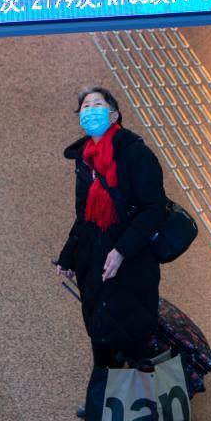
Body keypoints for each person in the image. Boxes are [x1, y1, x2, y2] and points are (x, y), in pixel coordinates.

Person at [55, 86, 169, 372]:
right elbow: (85, 214)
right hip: (94, 260)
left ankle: (127, 391)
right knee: (101, 332)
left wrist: (121, 251)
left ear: (114, 115)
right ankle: (107, 387)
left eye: (97, 105)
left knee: (132, 335)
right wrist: (70, 255)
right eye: (85, 107)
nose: (90, 110)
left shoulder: (136, 154)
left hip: (132, 261)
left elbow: (153, 208)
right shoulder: (85, 158)